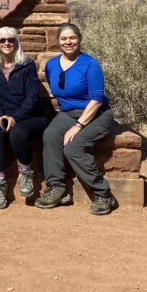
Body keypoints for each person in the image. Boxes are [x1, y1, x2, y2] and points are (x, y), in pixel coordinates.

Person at [35, 22, 118, 215]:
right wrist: (70, 122)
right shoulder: (52, 65)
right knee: (50, 135)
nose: (68, 42)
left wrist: (77, 126)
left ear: (79, 40)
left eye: (72, 38)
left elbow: (97, 99)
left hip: (96, 114)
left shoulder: (90, 64)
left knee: (73, 147)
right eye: (64, 38)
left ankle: (103, 194)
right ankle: (57, 187)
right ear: (58, 41)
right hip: (67, 113)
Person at [0, 26, 48, 208]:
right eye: (2, 40)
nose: (6, 43)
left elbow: (32, 97)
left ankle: (27, 172)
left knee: (18, 133)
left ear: (16, 43)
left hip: (31, 115)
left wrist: (16, 117)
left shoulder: (27, 65)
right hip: (3, 115)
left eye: (11, 40)